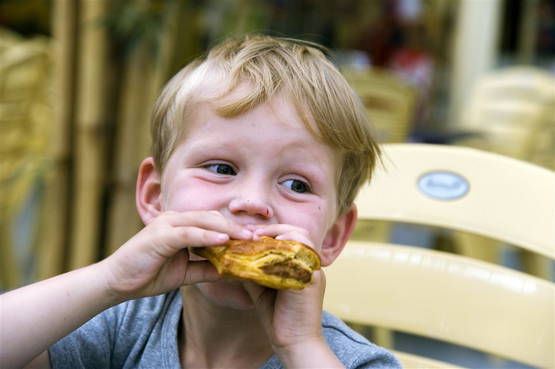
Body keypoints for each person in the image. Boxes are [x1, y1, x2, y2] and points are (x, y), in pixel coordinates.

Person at [1, 35, 401, 369]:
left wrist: (300, 346)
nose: (252, 202)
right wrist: (111, 280)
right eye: (222, 168)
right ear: (155, 197)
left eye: (296, 184)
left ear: (331, 236)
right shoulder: (124, 327)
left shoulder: (346, 360)